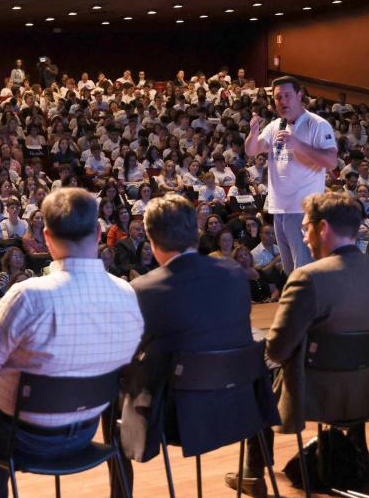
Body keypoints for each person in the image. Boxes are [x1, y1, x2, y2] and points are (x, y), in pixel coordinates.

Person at [0, 188, 143, 498]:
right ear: (98, 232)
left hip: (20, 439)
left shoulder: (29, 295)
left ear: (47, 237)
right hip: (85, 430)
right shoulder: (127, 293)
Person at [233, 192, 369, 495]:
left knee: (257, 369)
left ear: (323, 228)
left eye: (306, 227)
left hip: (317, 394)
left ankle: (253, 473)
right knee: (350, 358)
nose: (303, 235)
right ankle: (357, 452)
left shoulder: (307, 278)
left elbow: (277, 351)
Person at [114, 195, 275, 495]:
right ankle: (255, 472)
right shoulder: (234, 274)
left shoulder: (142, 289)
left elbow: (129, 355)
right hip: (241, 403)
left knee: (114, 387)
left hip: (178, 417)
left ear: (151, 237)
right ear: (195, 232)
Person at [245, 76, 338, 274]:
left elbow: (331, 161)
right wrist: (253, 132)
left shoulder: (317, 124)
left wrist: (298, 145)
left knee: (304, 271)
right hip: (279, 208)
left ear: (299, 96)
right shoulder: (276, 125)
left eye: (287, 95)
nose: (283, 101)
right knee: (290, 271)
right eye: (278, 97)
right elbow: (252, 150)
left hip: (303, 209)